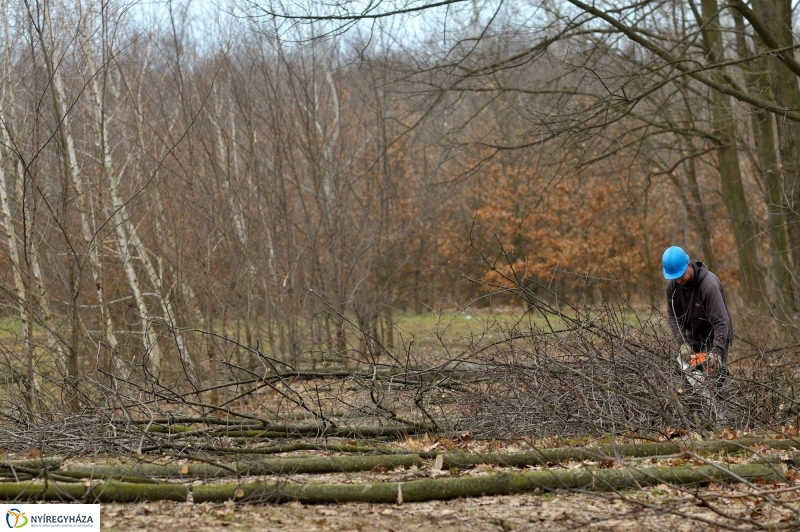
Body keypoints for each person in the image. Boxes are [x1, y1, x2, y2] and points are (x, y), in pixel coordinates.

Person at [662, 245, 734, 386]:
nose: (678, 280)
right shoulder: (672, 287)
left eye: (680, 275)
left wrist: (716, 350)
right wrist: (682, 342)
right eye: (674, 277)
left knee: (713, 378)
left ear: (688, 265)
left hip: (715, 333)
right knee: (690, 378)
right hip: (693, 333)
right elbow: (673, 316)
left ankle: (717, 406)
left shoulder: (709, 286)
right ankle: (693, 407)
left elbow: (721, 321)